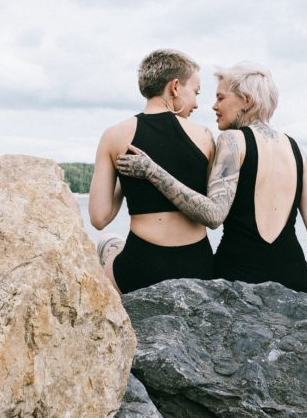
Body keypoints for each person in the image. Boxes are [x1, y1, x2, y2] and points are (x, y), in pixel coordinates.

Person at [116, 62, 307, 304]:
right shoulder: (297, 150)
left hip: (238, 281)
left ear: (247, 101)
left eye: (221, 98)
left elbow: (213, 215)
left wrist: (152, 171)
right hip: (295, 279)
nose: (214, 106)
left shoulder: (233, 140)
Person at [88, 49, 215, 294]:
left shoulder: (115, 135)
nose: (197, 103)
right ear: (175, 87)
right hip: (198, 267)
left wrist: (124, 175)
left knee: (108, 243)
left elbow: (99, 218)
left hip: (140, 268)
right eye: (196, 92)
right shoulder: (205, 136)